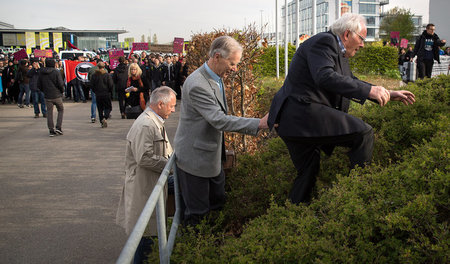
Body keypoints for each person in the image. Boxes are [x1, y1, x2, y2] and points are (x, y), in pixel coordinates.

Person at [267, 13, 416, 204]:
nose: (363, 44)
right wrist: (370, 90)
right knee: (363, 133)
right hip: (302, 115)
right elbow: (325, 76)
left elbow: (350, 81)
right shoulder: (324, 42)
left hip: (293, 122)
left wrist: (387, 92)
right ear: (347, 34)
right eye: (362, 38)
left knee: (308, 172)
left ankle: (293, 217)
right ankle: (359, 196)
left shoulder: (337, 51)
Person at [174, 36, 269, 226]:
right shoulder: (198, 85)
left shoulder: (214, 76)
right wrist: (258, 123)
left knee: (217, 203)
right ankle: (195, 251)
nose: (235, 69)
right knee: (198, 216)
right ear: (217, 56)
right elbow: (218, 119)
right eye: (232, 63)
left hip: (210, 156)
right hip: (195, 160)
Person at [116, 86, 177, 264]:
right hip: (144, 188)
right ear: (160, 104)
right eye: (172, 106)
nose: (173, 110)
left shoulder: (152, 121)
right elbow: (144, 158)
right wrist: (170, 166)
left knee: (147, 235)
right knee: (145, 237)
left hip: (149, 185)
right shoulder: (146, 124)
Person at [37, 58, 65, 137]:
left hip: (47, 95)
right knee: (61, 110)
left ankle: (51, 130)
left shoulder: (41, 72)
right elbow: (60, 83)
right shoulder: (56, 72)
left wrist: (44, 90)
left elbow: (39, 85)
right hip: (56, 95)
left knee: (49, 113)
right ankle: (58, 127)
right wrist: (61, 91)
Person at [90, 61, 113, 128]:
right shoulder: (107, 75)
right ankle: (105, 117)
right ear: (104, 67)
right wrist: (109, 91)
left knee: (100, 109)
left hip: (98, 94)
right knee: (108, 107)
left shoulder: (94, 75)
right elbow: (111, 85)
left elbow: (92, 85)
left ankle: (101, 120)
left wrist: (95, 91)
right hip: (106, 93)